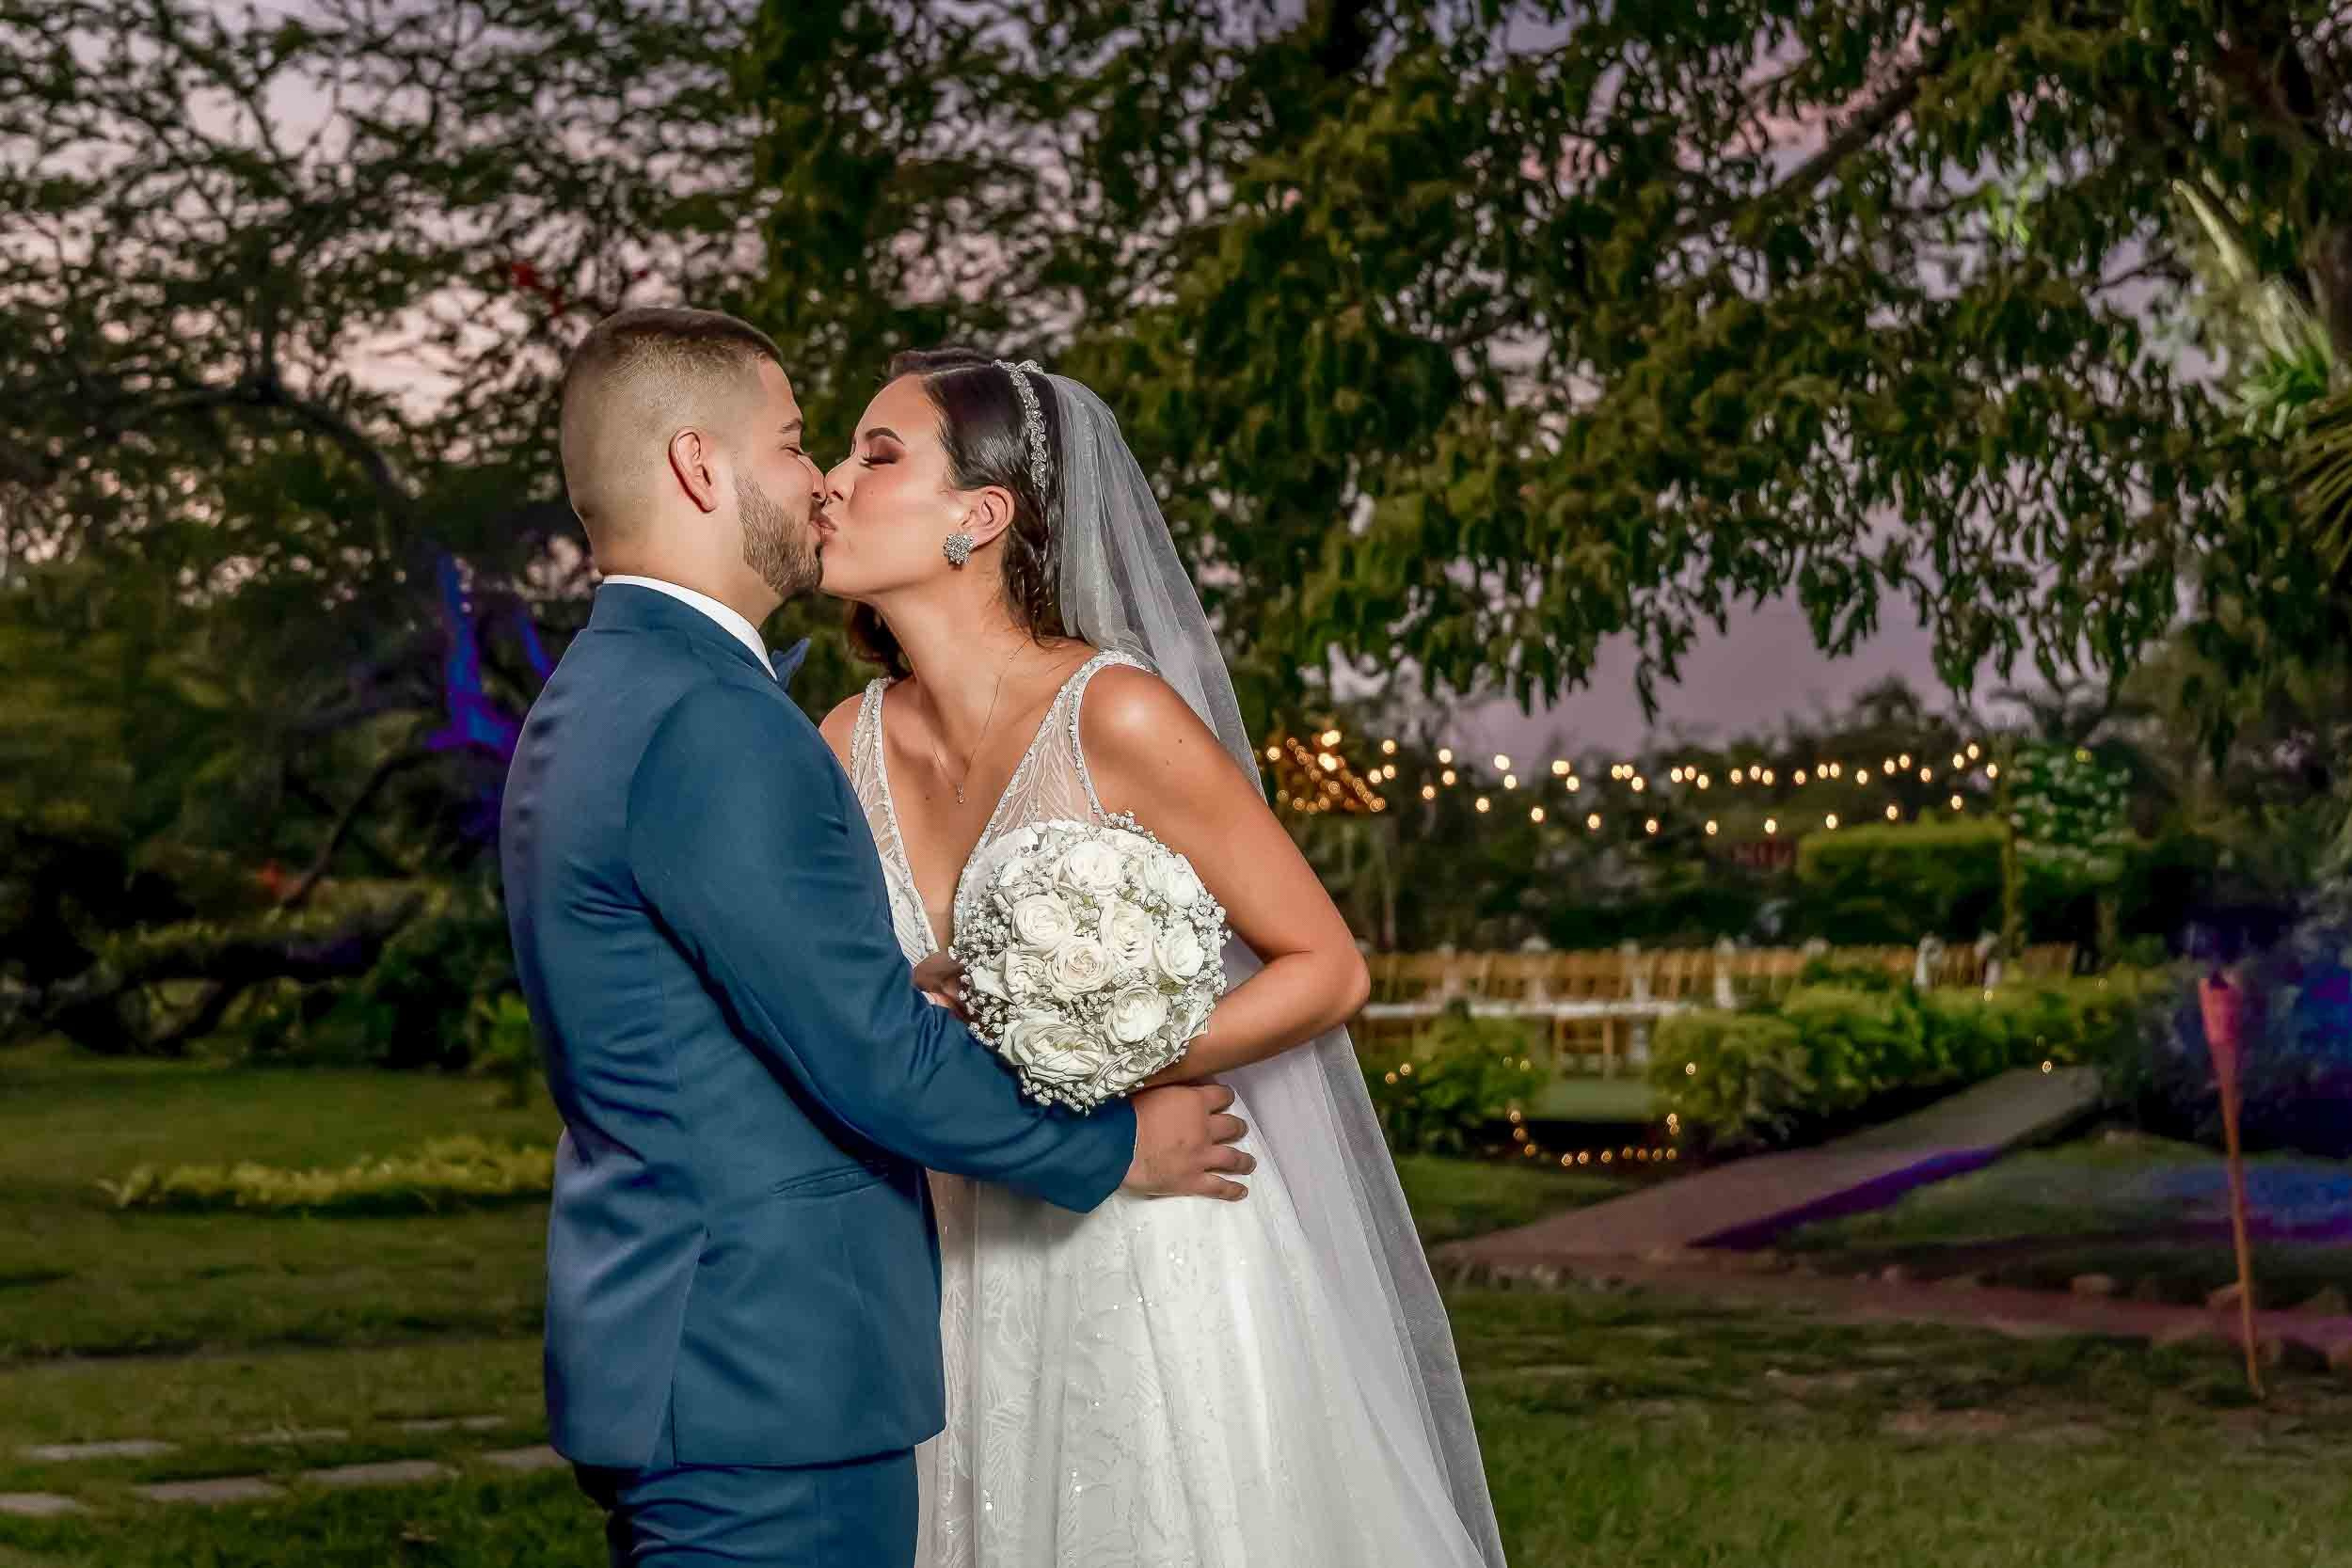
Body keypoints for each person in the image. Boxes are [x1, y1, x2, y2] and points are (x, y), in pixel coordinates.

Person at [500, 308, 1253, 1568]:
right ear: (700, 468)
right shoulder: (712, 719)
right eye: (795, 443)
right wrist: (1120, 1144)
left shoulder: (607, 693)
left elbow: (730, 1012)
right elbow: (869, 1061)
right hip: (762, 1377)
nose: (819, 481)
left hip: (697, 1355)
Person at [815, 349, 1508, 1566]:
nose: (828, 482)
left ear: (981, 518)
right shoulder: (839, 743)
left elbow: (1326, 966)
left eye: (876, 456)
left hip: (1142, 1238)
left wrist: (1114, 1057)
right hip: (941, 1245)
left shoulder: (1115, 717)